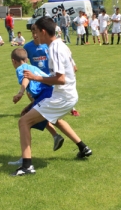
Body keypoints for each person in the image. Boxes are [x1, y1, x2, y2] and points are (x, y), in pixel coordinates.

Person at [12, 16, 92, 176]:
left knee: (24, 122)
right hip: (67, 95)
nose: (35, 36)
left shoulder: (54, 49)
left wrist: (36, 78)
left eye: (36, 32)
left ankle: (27, 166)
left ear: (43, 32)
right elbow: (72, 69)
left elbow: (60, 79)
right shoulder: (61, 45)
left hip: (61, 97)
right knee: (39, 119)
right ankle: (83, 148)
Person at [9, 47, 65, 165]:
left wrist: (20, 93)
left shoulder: (21, 68)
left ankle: (25, 159)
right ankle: (56, 136)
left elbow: (26, 78)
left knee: (25, 121)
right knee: (32, 116)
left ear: (13, 61)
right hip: (50, 93)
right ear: (27, 59)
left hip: (44, 95)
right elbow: (48, 79)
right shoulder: (33, 67)